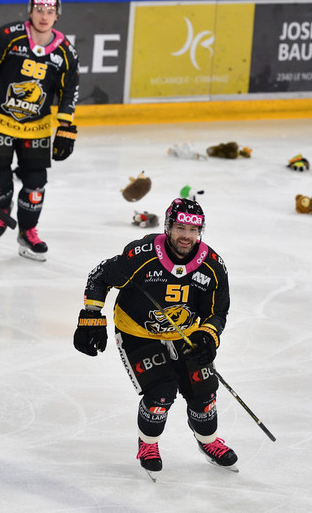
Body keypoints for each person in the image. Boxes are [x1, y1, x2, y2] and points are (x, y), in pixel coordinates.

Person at [73, 198, 238, 476]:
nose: (187, 236)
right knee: (160, 393)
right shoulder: (143, 253)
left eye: (194, 230)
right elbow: (100, 275)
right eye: (181, 227)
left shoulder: (212, 266)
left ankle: (209, 442)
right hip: (136, 331)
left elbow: (218, 310)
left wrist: (208, 337)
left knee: (204, 389)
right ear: (168, 227)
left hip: (182, 333)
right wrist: (91, 318)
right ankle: (148, 444)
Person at [0, 0, 80, 262]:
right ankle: (2, 208)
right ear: (30, 10)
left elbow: (69, 90)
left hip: (36, 128)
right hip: (0, 122)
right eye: (39, 9)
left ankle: (27, 231)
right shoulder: (8, 36)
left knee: (36, 185)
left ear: (57, 15)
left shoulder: (65, 51)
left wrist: (65, 127)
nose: (44, 16)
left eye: (50, 11)